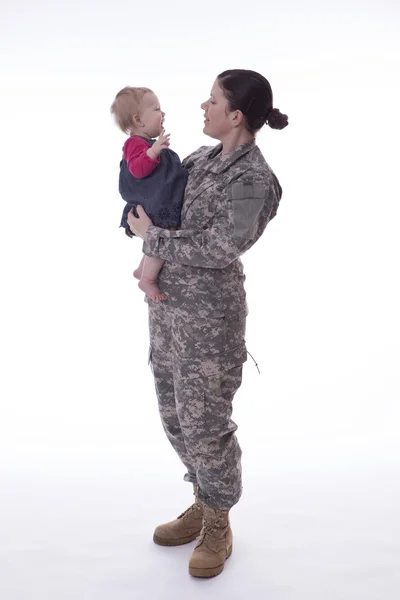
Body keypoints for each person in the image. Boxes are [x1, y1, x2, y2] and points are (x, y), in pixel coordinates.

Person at [127, 69, 288, 578]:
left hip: (209, 321)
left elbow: (220, 248)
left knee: (205, 422)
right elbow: (164, 205)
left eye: (213, 100)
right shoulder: (197, 159)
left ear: (235, 116)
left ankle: (218, 519)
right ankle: (201, 498)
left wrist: (152, 237)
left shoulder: (254, 180)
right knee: (174, 413)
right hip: (168, 309)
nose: (203, 105)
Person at [110, 86, 188, 302]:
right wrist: (154, 151)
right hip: (153, 204)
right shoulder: (135, 144)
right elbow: (137, 169)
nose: (162, 114)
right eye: (156, 109)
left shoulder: (145, 145)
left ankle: (141, 269)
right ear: (139, 120)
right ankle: (148, 279)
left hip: (156, 201)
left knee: (157, 238)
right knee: (161, 237)